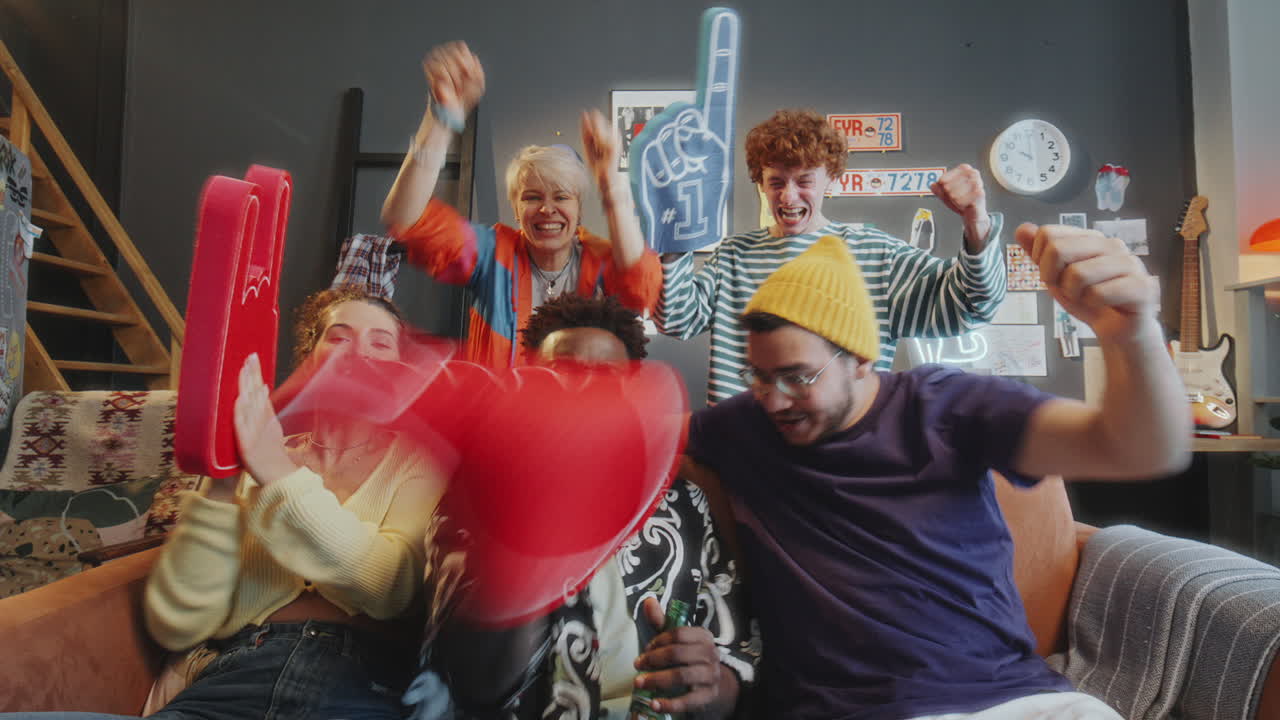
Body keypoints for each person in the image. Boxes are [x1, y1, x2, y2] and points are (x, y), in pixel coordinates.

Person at [683, 227, 1190, 718]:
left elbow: (1139, 451)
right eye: (759, 376)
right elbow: (633, 438)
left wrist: (1132, 334)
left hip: (1022, 697)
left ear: (861, 358)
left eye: (797, 377)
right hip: (864, 709)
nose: (774, 400)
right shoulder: (741, 427)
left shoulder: (945, 407)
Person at [3, 286, 446, 720]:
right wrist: (219, 488)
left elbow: (392, 588)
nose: (359, 354)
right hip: (237, 673)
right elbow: (181, 621)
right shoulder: (257, 451)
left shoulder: (417, 461)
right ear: (311, 357)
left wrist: (279, 475)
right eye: (339, 337)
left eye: (380, 343)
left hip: (359, 680)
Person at [405, 295, 757, 720]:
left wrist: (713, 682)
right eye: (563, 372)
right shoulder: (472, 497)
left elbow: (737, 656)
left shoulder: (686, 502)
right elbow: (471, 681)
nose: (584, 390)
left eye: (606, 377)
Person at [633, 108, 1007, 404]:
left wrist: (976, 220)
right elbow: (678, 320)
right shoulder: (734, 255)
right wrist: (675, 236)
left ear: (832, 179)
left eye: (804, 181)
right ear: (760, 184)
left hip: (843, 460)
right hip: (748, 459)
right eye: (775, 182)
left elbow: (970, 306)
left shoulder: (875, 253)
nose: (788, 196)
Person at [381, 42, 662, 368]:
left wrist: (609, 179)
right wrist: (441, 120)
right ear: (515, 209)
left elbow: (641, 289)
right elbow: (406, 221)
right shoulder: (493, 255)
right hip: (498, 414)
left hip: (584, 414)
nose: (547, 209)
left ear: (579, 210)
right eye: (532, 197)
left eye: (561, 197)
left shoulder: (599, 260)